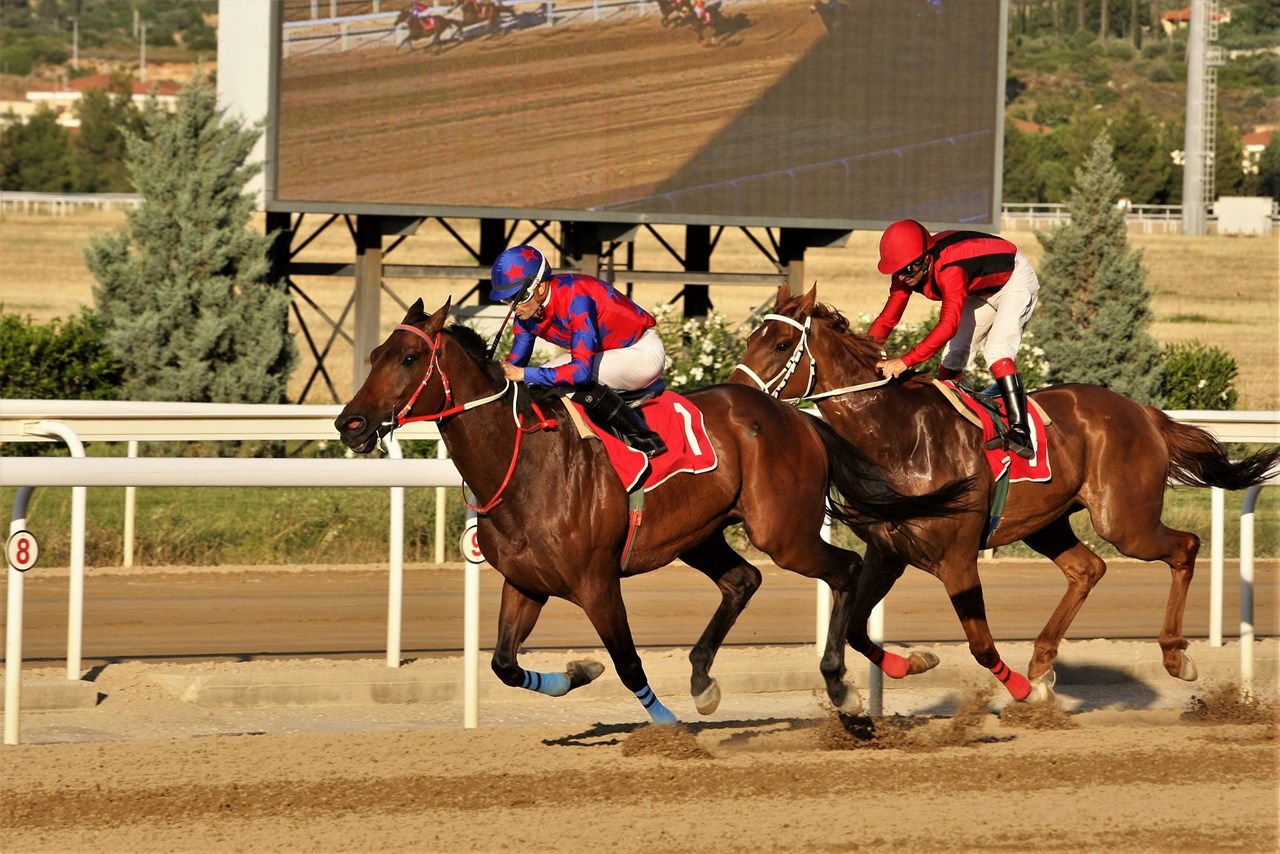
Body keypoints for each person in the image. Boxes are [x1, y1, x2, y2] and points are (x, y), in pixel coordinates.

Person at [867, 219, 1041, 459]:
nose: (903, 276)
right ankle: (946, 416)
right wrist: (864, 351)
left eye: (908, 269)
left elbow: (948, 325)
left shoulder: (951, 269)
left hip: (1014, 280)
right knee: (954, 354)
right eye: (897, 270)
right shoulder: (910, 269)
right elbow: (888, 318)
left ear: (926, 258)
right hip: (979, 289)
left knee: (997, 350)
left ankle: (1021, 431)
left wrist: (905, 361)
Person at [489, 244, 668, 458]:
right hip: (610, 353)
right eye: (507, 300)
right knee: (539, 378)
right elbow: (515, 367)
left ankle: (645, 439)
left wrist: (524, 374)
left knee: (553, 376)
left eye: (518, 297)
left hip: (641, 352)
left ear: (540, 287)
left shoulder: (577, 299)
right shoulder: (526, 314)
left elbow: (581, 372)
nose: (513, 306)